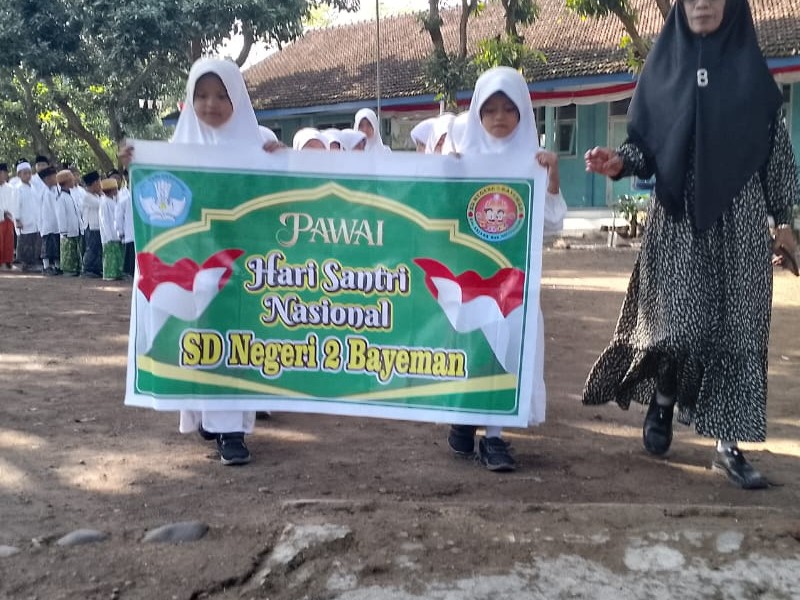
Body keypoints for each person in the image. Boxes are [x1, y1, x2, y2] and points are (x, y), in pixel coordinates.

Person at [582, 0, 799, 489]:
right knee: (679, 326)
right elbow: (644, 145)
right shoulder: (663, 70)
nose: (702, 2)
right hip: (678, 217)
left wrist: (785, 222)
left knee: (739, 331)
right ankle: (664, 397)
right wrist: (620, 162)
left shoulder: (752, 75)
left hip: (741, 223)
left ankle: (728, 445)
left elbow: (775, 152)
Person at [446, 66, 567, 472]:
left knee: (511, 349)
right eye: (490, 109)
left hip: (515, 285)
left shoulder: (534, 163)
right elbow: (438, 213)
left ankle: (494, 437)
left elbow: (551, 228)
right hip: (470, 279)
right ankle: (464, 421)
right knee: (473, 351)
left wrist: (552, 179)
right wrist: (445, 175)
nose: (499, 117)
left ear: (523, 113)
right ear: (478, 114)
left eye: (509, 108)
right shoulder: (461, 161)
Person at [166, 58, 265, 465]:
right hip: (196, 267)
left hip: (245, 268)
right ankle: (213, 418)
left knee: (238, 341)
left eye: (222, 95)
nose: (211, 104)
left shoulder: (256, 148)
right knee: (202, 338)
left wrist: (282, 162)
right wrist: (136, 161)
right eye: (202, 95)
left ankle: (230, 428)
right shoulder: (175, 152)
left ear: (237, 99)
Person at [12, 161, 42, 273]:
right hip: (24, 221)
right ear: (19, 175)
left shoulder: (33, 187)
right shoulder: (17, 188)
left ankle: (33, 263)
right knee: (25, 242)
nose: (28, 175)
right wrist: (17, 220)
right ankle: (25, 264)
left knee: (35, 242)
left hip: (34, 220)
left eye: (29, 173)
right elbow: (15, 206)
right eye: (25, 173)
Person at [54, 169, 83, 276]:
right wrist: (63, 230)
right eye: (71, 179)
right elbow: (61, 215)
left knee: (75, 250)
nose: (73, 181)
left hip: (75, 228)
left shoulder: (71, 195)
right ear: (66, 182)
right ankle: (68, 270)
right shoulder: (61, 198)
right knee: (68, 251)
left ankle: (76, 268)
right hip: (67, 231)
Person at [38, 166, 62, 276]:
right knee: (47, 247)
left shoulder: (57, 190)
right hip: (47, 224)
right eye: (54, 176)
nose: (56, 178)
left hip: (56, 224)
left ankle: (57, 266)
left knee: (56, 246)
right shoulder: (43, 192)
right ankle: (46, 266)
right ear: (47, 179)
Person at [99, 178, 124, 280]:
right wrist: (109, 235)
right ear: (111, 190)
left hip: (115, 234)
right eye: (115, 188)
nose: (117, 190)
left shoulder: (112, 201)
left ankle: (117, 274)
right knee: (110, 255)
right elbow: (104, 220)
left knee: (117, 255)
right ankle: (109, 275)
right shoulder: (104, 203)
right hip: (109, 236)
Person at [80, 171, 104, 278]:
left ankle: (96, 269)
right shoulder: (87, 196)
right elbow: (101, 205)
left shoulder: (96, 196)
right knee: (92, 248)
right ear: (94, 183)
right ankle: (87, 268)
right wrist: (103, 195)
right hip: (91, 226)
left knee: (98, 248)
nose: (100, 185)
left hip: (98, 226)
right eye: (99, 182)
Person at [0, 163, 15, 269]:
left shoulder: (10, 188)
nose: (4, 175)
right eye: (2, 173)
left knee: (9, 240)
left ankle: (8, 261)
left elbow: (13, 202)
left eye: (5, 173)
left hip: (9, 218)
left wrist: (9, 212)